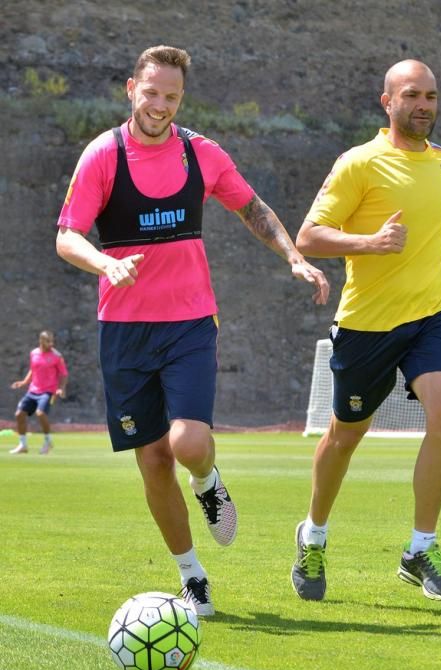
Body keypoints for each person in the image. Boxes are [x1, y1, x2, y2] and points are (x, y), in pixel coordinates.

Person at [55, 45, 329, 616]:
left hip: (189, 322)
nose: (159, 105)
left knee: (187, 443)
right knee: (153, 460)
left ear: (182, 98)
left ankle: (208, 481)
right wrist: (106, 264)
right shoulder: (104, 155)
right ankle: (192, 576)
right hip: (124, 330)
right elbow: (68, 235)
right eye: (151, 92)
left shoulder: (200, 153)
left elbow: (250, 207)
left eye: (171, 96)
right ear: (131, 89)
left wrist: (292, 257)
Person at [291, 59, 441, 603]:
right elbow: (308, 236)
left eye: (433, 96)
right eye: (413, 95)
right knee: (346, 435)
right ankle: (314, 534)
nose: (425, 105)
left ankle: (421, 548)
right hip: (367, 324)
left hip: (431, 316)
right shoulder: (358, 164)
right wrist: (368, 244)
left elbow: (428, 221)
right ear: (387, 102)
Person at [10, 330, 68, 455]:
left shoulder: (57, 356)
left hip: (47, 391)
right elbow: (33, 369)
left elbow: (63, 374)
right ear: (41, 341)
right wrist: (24, 382)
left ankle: (48, 441)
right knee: (19, 414)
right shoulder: (34, 353)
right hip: (33, 390)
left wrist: (61, 388)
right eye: (48, 341)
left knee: (40, 413)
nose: (51, 343)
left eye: (52, 340)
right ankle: (23, 445)